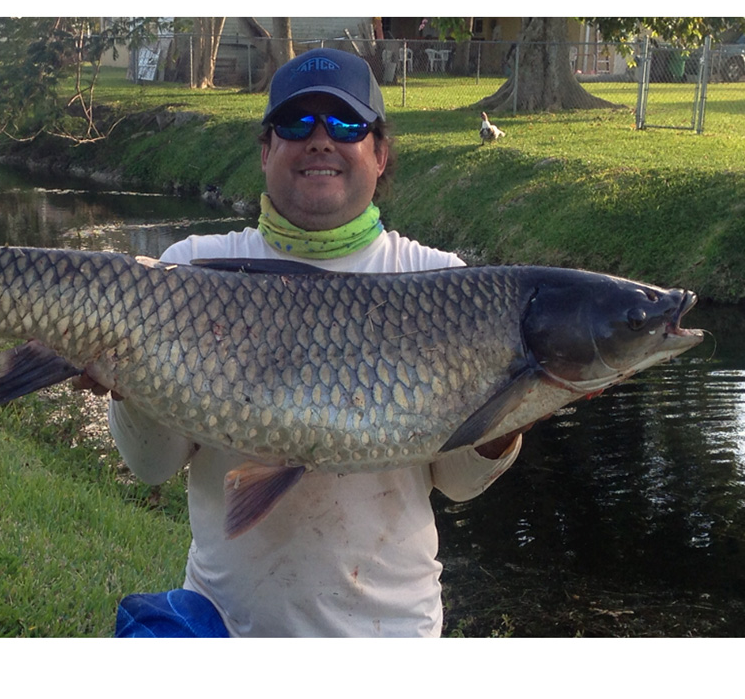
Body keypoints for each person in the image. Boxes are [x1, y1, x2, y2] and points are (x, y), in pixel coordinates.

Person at [98, 47, 521, 637]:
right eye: (296, 123)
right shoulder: (189, 272)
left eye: (345, 123)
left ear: (379, 152)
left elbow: (458, 482)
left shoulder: (443, 283)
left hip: (390, 633)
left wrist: (518, 403)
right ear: (266, 150)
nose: (320, 139)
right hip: (226, 624)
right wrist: (123, 379)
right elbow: (151, 465)